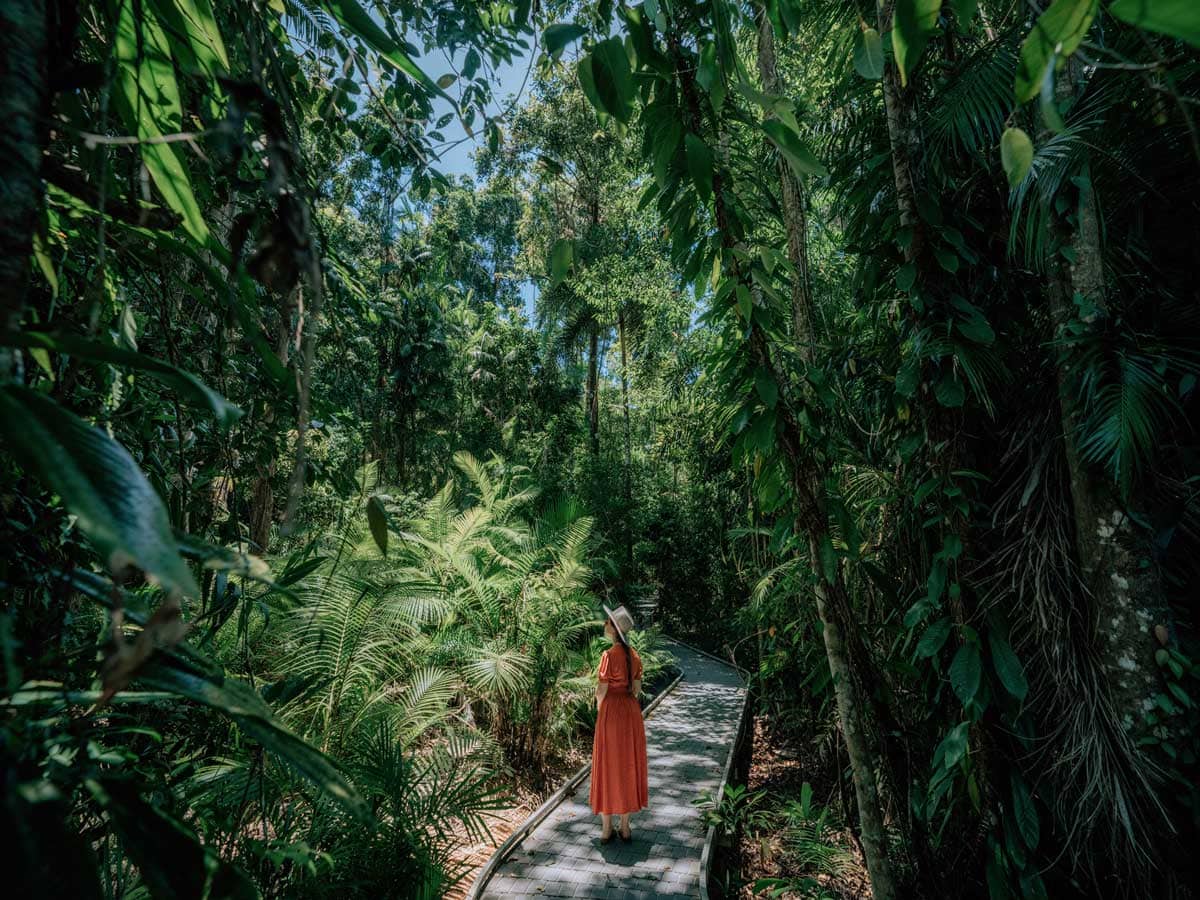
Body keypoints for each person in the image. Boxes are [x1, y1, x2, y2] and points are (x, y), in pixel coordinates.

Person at [589, 604, 649, 844]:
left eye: (607, 621)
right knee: (627, 764)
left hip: (612, 711)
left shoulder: (607, 656)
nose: (605, 624)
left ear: (613, 629)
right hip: (630, 712)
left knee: (607, 763)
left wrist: (598, 705)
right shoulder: (634, 655)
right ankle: (625, 827)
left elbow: (601, 689)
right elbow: (636, 689)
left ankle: (606, 829)